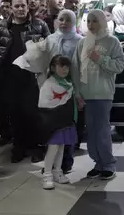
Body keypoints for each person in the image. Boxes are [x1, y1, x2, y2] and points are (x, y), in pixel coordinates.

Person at [0, 0, 49, 162]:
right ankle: (19, 146)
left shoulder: (39, 25)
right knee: (14, 114)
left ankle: (36, 147)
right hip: (9, 77)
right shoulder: (0, 27)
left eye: (23, 5)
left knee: (32, 113)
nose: (20, 9)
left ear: (28, 7)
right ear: (11, 8)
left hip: (32, 76)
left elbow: (49, 48)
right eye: (17, 6)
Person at [23, 9, 82, 172]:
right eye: (61, 19)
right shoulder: (50, 39)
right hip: (51, 88)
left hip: (70, 88)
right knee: (52, 127)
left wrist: (78, 92)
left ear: (74, 22)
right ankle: (52, 163)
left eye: (68, 20)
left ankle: (66, 163)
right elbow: (42, 62)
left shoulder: (79, 41)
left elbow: (80, 69)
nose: (64, 23)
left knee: (68, 126)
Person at [72, 9, 124, 180]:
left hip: (103, 93)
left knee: (102, 129)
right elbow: (76, 68)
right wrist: (78, 92)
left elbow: (119, 65)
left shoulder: (112, 41)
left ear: (102, 22)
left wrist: (100, 59)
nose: (91, 25)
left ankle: (108, 163)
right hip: (86, 94)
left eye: (95, 21)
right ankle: (98, 162)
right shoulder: (82, 43)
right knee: (91, 130)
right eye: (88, 21)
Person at [38, 55, 79, 190]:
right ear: (53, 68)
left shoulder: (67, 84)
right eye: (61, 66)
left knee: (61, 146)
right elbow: (44, 104)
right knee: (53, 147)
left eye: (66, 66)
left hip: (64, 121)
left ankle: (57, 171)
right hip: (53, 122)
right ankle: (47, 174)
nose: (64, 69)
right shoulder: (49, 84)